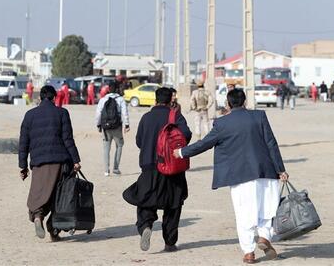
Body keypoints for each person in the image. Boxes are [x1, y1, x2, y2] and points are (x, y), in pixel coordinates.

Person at [173, 89, 288, 264]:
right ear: (245, 101)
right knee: (266, 210)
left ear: (228, 104)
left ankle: (249, 252)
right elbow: (271, 143)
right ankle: (264, 237)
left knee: (244, 214)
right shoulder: (260, 116)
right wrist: (280, 169)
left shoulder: (222, 123)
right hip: (266, 171)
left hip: (240, 176)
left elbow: (204, 144)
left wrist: (181, 152)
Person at [123, 87, 192, 252]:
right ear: (170, 100)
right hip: (172, 167)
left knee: (145, 200)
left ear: (155, 100)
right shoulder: (175, 116)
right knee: (173, 204)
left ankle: (146, 226)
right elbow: (186, 136)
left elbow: (139, 141)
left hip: (149, 166)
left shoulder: (146, 117)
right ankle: (169, 242)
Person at [19, 85, 81, 242]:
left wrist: (23, 166)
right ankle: (54, 231)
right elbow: (68, 139)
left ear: (40, 98)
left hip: (39, 162)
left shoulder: (29, 115)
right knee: (59, 197)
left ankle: (38, 216)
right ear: (54, 98)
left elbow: (23, 143)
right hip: (60, 162)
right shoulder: (62, 113)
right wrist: (76, 160)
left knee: (40, 193)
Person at [95, 82, 130, 176]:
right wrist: (126, 125)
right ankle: (116, 168)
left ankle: (106, 170)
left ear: (108, 89)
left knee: (106, 148)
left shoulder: (103, 99)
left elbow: (98, 113)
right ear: (118, 89)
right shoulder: (121, 99)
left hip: (106, 128)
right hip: (117, 127)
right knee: (119, 145)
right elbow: (124, 113)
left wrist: (98, 125)